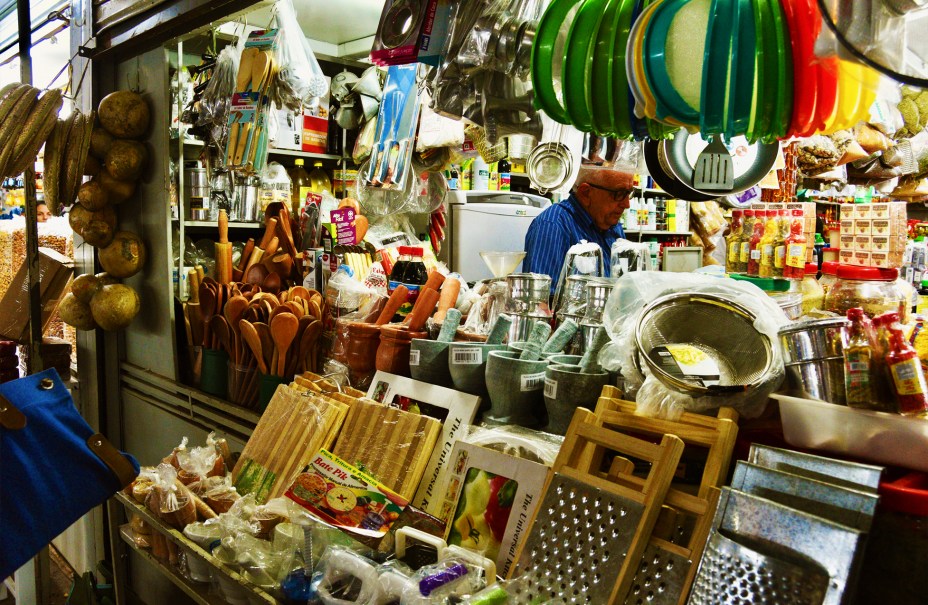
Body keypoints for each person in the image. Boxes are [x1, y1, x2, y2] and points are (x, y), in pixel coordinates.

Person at [523, 165, 633, 285]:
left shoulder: (613, 226)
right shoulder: (552, 226)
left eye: (629, 193)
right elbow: (539, 300)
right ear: (585, 193)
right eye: (619, 194)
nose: (627, 204)